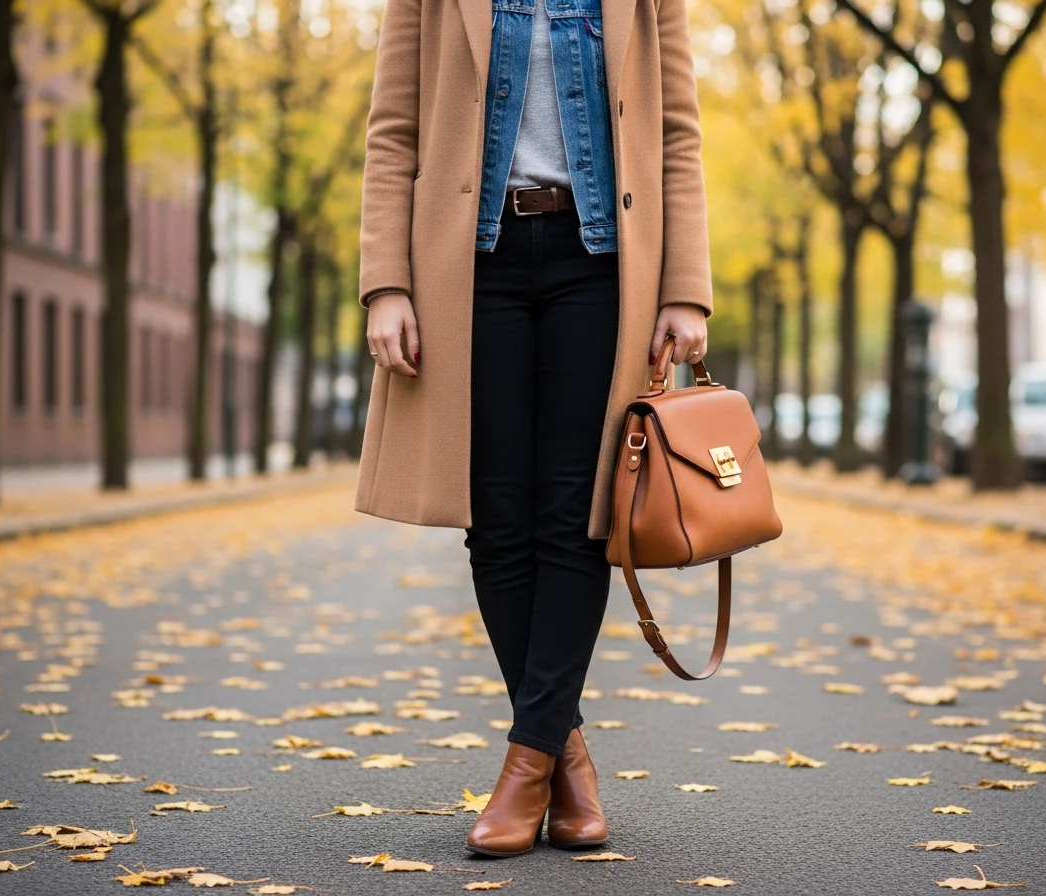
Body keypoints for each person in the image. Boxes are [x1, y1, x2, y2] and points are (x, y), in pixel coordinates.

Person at [354, 0, 714, 858]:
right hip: (470, 261)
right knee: (496, 517)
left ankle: (525, 768)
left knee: (576, 513)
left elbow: (677, 137)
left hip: (603, 260)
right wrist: (386, 282)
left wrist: (685, 288)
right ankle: (563, 754)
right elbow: (394, 134)